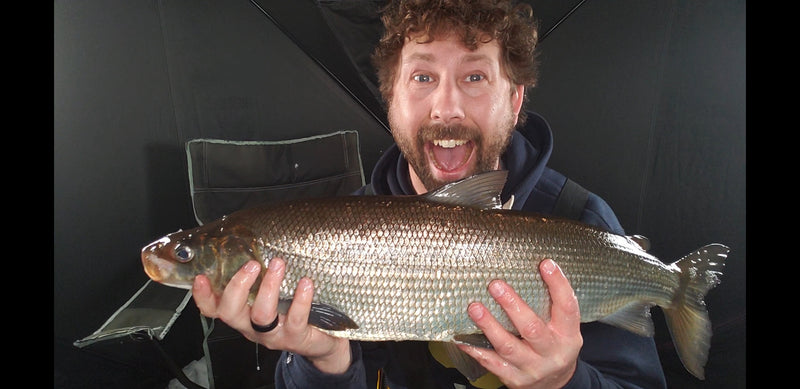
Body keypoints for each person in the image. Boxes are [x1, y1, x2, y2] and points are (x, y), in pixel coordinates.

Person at [192, 0, 668, 388]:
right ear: (391, 97)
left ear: (516, 98)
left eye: (475, 77)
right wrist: (324, 360)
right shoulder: (341, 225)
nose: (447, 107)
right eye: (422, 78)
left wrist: (567, 380)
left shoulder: (580, 218)